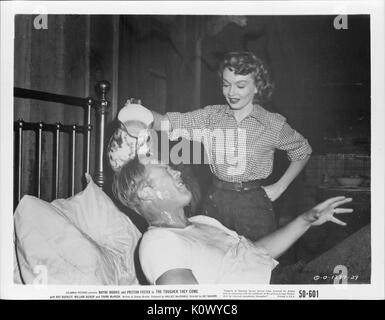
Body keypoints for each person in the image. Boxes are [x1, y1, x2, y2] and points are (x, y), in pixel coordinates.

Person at [124, 51, 312, 241]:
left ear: (257, 87)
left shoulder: (272, 124)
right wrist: (139, 112)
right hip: (215, 200)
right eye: (226, 84)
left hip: (253, 205)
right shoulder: (211, 116)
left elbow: (302, 151)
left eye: (240, 85)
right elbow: (168, 122)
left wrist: (280, 187)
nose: (231, 93)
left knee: (256, 263)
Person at [109, 154, 352, 285]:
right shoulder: (158, 243)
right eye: (165, 169)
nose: (177, 171)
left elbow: (256, 253)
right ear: (145, 192)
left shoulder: (204, 221)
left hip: (289, 277)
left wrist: (306, 219)